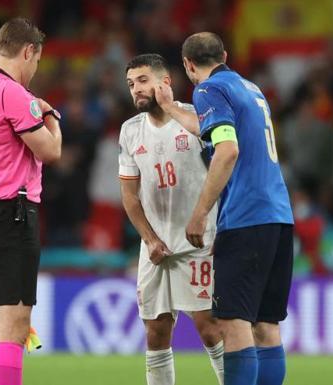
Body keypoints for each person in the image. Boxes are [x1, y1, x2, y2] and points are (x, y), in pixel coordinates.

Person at [182, 32, 294, 385]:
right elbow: (213, 130)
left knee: (234, 323)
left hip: (245, 216)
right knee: (265, 325)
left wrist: (200, 212)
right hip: (278, 215)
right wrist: (170, 108)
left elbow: (227, 150)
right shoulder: (251, 90)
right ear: (225, 55)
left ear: (188, 65)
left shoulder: (206, 90)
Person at [0, 17, 61, 385]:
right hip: (13, 214)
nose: (34, 70)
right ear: (28, 51)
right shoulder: (14, 93)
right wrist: (52, 119)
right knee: (14, 327)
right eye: (36, 61)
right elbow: (50, 152)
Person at [119, 54, 224, 385]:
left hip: (198, 240)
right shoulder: (130, 131)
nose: (136, 89)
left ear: (165, 83)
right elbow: (130, 196)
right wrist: (149, 239)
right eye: (131, 84)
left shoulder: (195, 118)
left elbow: (223, 167)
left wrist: (204, 217)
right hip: (155, 246)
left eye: (143, 81)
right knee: (156, 330)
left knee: (209, 326)